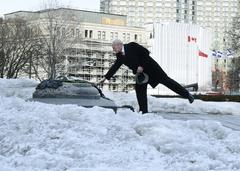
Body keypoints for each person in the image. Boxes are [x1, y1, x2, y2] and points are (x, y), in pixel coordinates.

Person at [99, 39, 194, 114]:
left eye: (113, 47)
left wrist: (141, 65)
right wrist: (106, 78)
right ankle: (143, 111)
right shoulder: (119, 56)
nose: (113, 49)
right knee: (139, 90)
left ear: (119, 44)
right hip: (141, 75)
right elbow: (115, 66)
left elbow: (146, 53)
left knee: (167, 81)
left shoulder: (132, 45)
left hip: (152, 69)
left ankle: (187, 95)